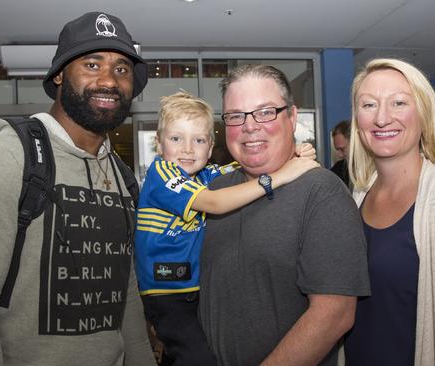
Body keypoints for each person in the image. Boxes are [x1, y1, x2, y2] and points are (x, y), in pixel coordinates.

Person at [0, 12, 156, 366]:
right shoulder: (4, 157)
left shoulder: (120, 176)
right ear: (59, 75)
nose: (109, 80)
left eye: (121, 69)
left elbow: (125, 292)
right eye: (92, 64)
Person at [198, 64, 371, 366]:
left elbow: (335, 314)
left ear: (292, 116)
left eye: (265, 112)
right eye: (236, 116)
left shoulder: (321, 192)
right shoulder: (216, 192)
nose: (250, 127)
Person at [135, 91, 319, 365]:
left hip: (198, 288)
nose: (187, 149)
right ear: (159, 145)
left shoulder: (206, 174)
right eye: (176, 139)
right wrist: (280, 176)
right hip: (166, 293)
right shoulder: (162, 174)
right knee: (196, 358)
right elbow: (215, 203)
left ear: (209, 148)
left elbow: (247, 163)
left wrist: (293, 152)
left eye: (198, 140)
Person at [343, 58, 435, 366]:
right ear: (357, 118)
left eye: (398, 103)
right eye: (368, 105)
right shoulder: (358, 195)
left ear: (423, 113)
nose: (382, 118)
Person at [329, 120, 351, 186]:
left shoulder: (375, 170)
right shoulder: (339, 169)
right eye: (337, 150)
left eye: (342, 149)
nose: (339, 155)